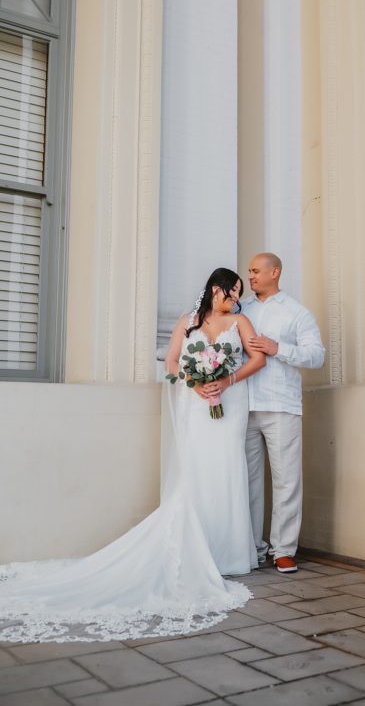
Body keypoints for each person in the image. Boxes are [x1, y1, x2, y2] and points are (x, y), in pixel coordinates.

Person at [0, 268, 266, 643]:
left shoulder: (240, 321)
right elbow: (172, 362)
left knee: (226, 471)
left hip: (229, 403)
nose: (236, 299)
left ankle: (228, 554)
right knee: (197, 472)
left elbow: (258, 360)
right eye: (232, 292)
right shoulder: (187, 322)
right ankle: (197, 550)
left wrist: (226, 379)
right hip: (195, 405)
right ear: (215, 289)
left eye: (239, 294)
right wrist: (195, 383)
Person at [238, 253, 325, 573]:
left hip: (281, 406)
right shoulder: (241, 309)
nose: (251, 276)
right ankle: (251, 547)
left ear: (275, 272)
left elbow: (316, 356)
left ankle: (284, 549)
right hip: (243, 407)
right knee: (247, 480)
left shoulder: (296, 313)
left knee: (287, 480)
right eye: (249, 271)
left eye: (256, 271)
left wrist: (278, 349)